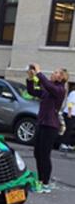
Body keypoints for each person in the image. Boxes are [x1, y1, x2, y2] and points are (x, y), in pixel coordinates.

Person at [26, 64, 68, 193]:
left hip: (51, 126)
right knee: (37, 153)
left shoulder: (60, 90)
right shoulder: (48, 89)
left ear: (61, 77)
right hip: (41, 123)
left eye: (56, 72)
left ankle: (45, 183)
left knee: (44, 154)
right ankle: (40, 180)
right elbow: (32, 91)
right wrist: (30, 78)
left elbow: (49, 86)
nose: (53, 73)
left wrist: (39, 72)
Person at [59, 82, 75, 151]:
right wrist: (69, 112)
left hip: (74, 114)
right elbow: (70, 103)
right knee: (69, 129)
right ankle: (63, 144)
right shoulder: (73, 93)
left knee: (73, 130)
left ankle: (71, 144)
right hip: (69, 114)